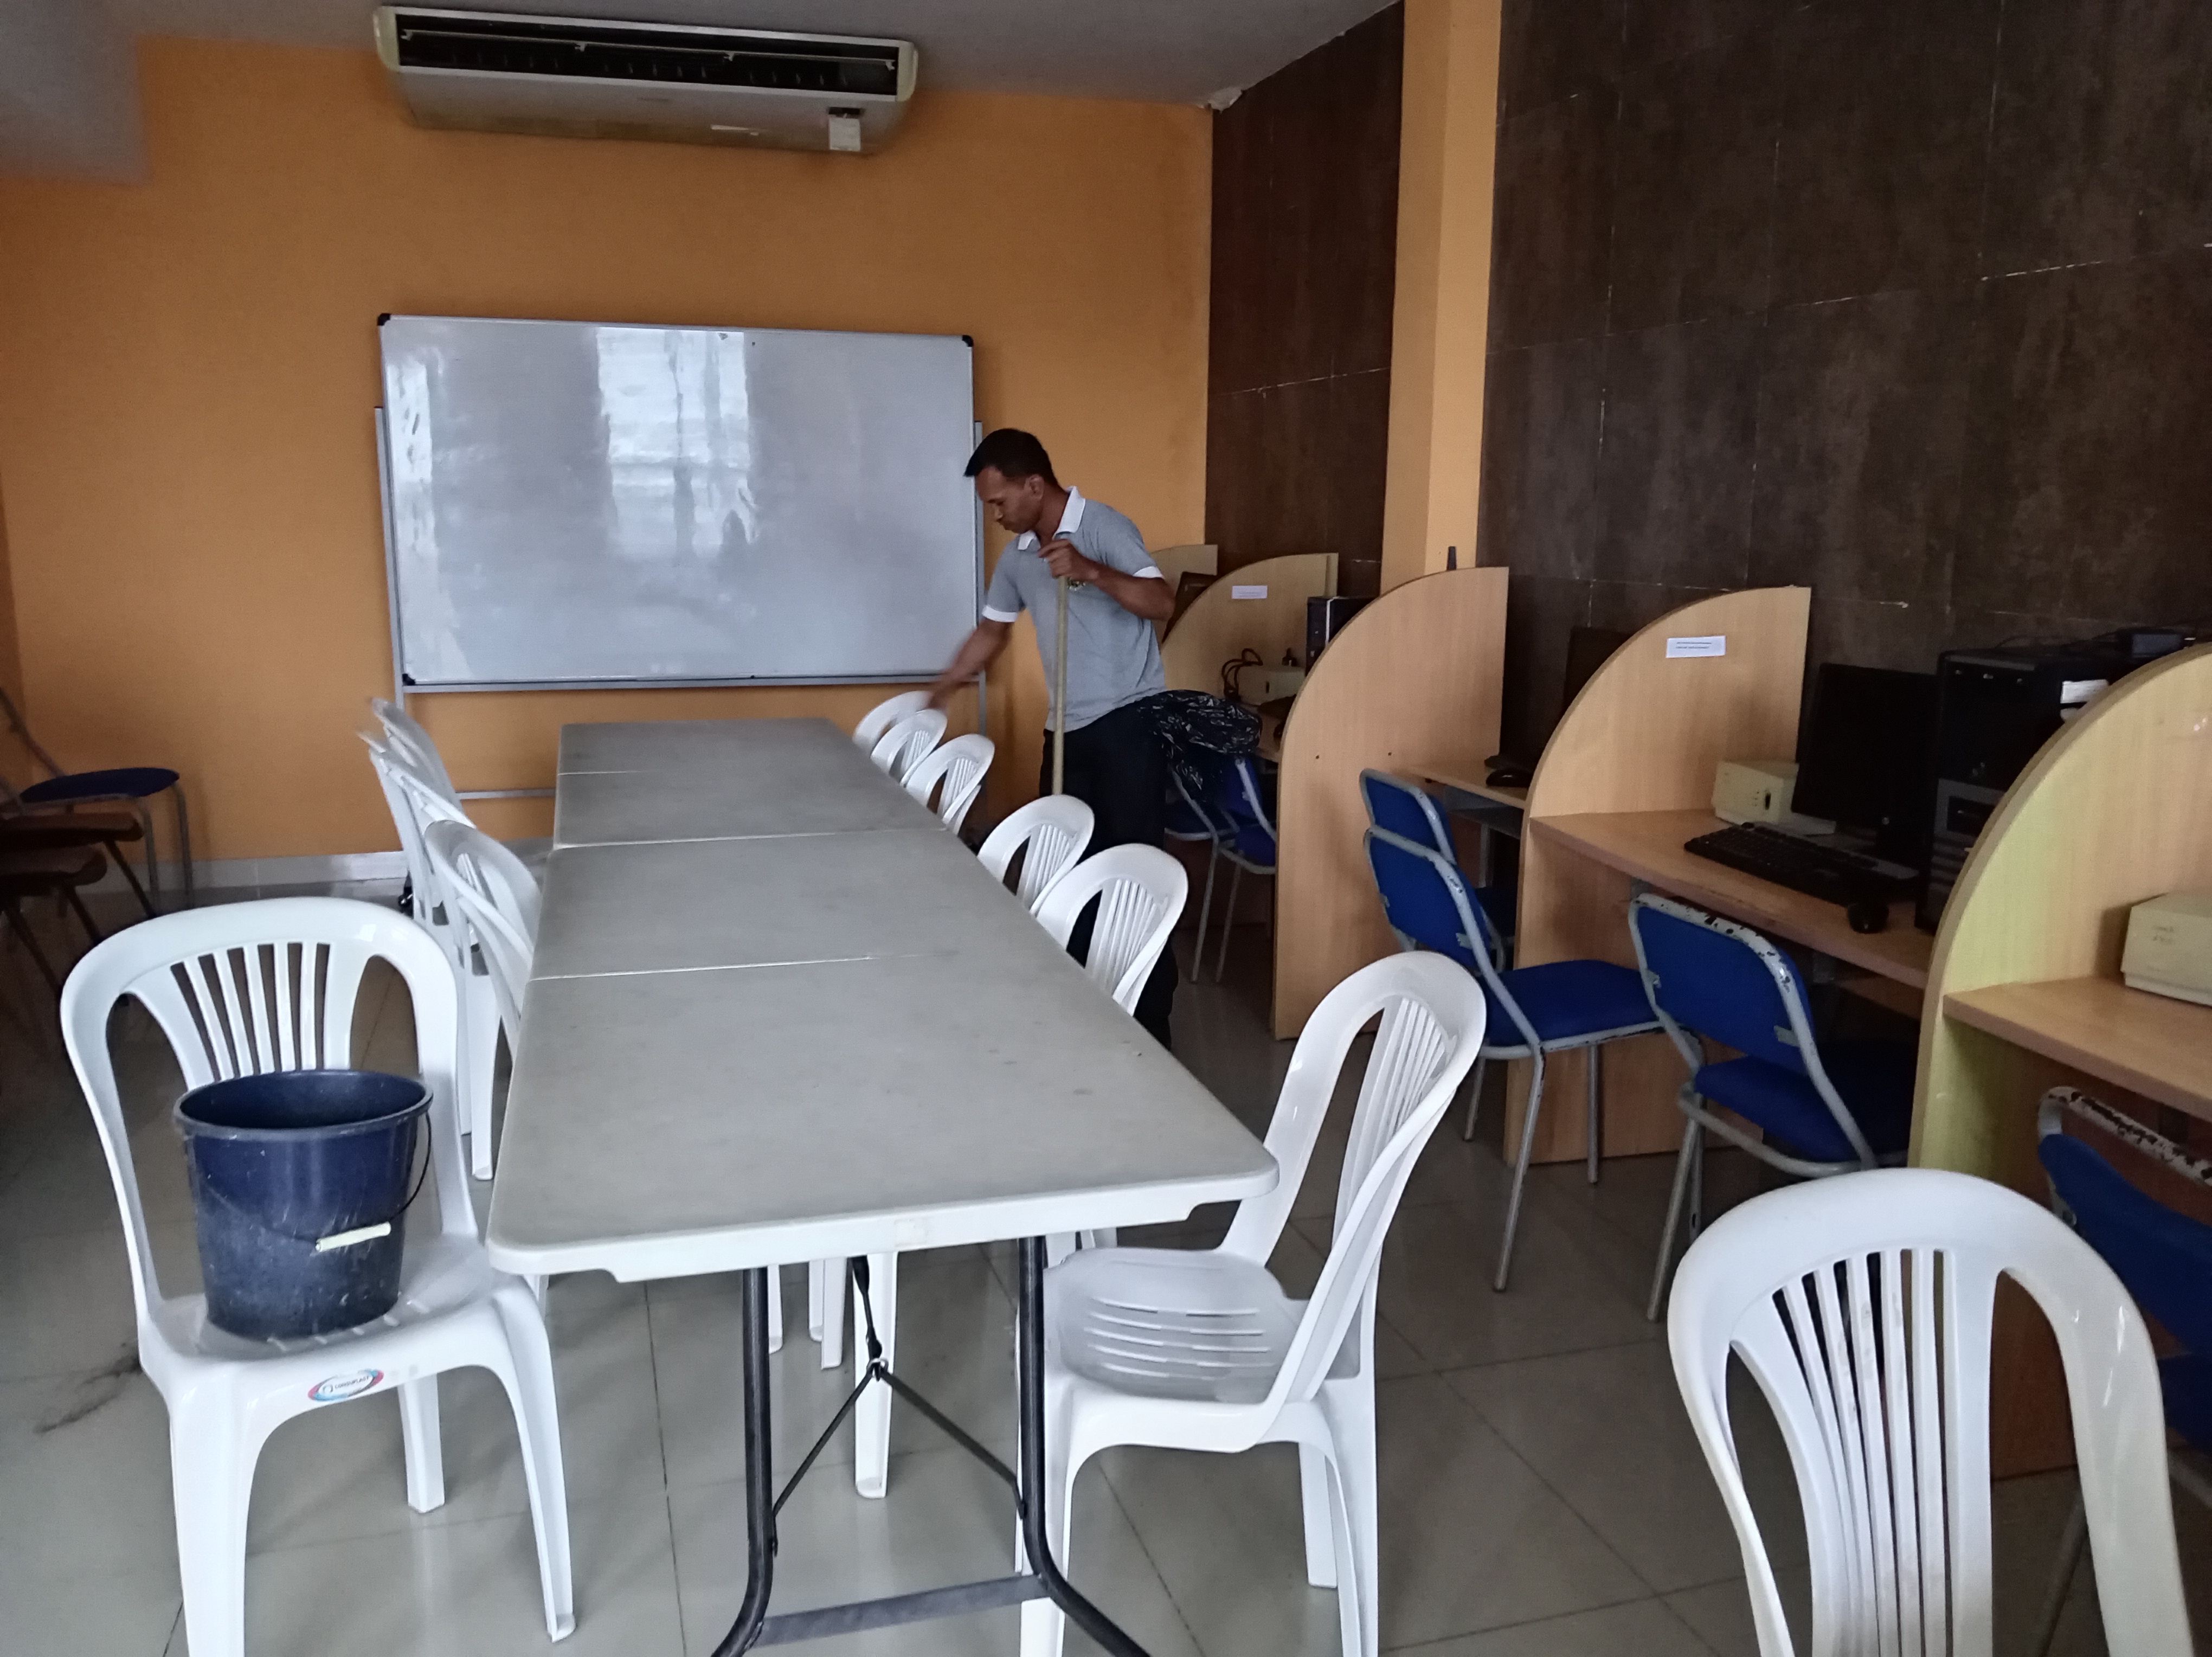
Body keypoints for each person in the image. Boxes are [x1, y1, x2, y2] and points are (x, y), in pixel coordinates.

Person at [928, 428, 1180, 1046]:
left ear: (1034, 485)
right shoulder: (1019, 555)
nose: (995, 514)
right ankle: (1086, 1009)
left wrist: (1089, 570)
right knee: (1067, 873)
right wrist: (945, 685)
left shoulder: (1104, 527)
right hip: (1066, 731)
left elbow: (1161, 602)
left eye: (999, 501)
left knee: (1133, 876)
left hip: (1129, 726)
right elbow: (993, 631)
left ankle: (1151, 1027)